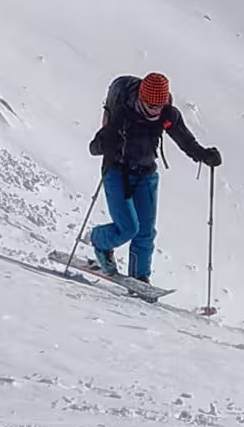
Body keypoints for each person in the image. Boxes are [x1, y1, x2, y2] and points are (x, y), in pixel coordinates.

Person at [85, 67, 219, 285]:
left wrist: (204, 155)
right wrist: (106, 144)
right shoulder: (123, 113)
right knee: (128, 228)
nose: (155, 110)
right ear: (141, 97)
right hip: (117, 172)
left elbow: (185, 140)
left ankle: (140, 278)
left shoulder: (168, 114)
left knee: (145, 233)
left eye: (160, 106)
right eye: (151, 106)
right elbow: (94, 147)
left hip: (146, 174)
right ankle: (99, 241)